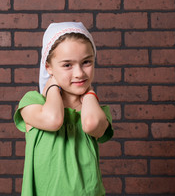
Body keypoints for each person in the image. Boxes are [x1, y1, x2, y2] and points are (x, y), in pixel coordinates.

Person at [14, 22, 113, 196]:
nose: (79, 73)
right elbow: (54, 120)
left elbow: (90, 124)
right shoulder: (33, 103)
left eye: (86, 62)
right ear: (49, 67)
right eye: (67, 65)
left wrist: (89, 93)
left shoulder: (96, 109)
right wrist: (52, 87)